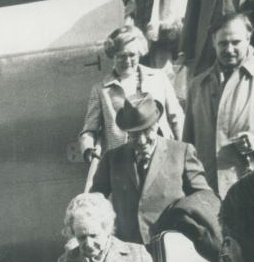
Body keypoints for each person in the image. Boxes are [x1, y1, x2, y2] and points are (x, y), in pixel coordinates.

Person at [90, 93, 212, 244]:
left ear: (157, 125)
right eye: (134, 135)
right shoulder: (112, 159)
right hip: (130, 248)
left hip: (174, 245)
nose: (141, 141)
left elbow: (204, 197)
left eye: (146, 131)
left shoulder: (181, 152)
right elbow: (94, 202)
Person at [185, 11, 254, 195]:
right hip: (209, 188)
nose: (229, 49)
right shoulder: (198, 85)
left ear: (248, 37)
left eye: (235, 42)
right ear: (213, 41)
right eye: (223, 43)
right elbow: (188, 143)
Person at [80, 25, 183, 163]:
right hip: (123, 162)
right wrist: (88, 149)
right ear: (113, 56)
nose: (127, 61)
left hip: (162, 155)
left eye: (132, 55)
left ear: (140, 52)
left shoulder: (159, 78)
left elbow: (177, 119)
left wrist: (182, 151)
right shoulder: (100, 90)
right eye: (121, 56)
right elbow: (89, 130)